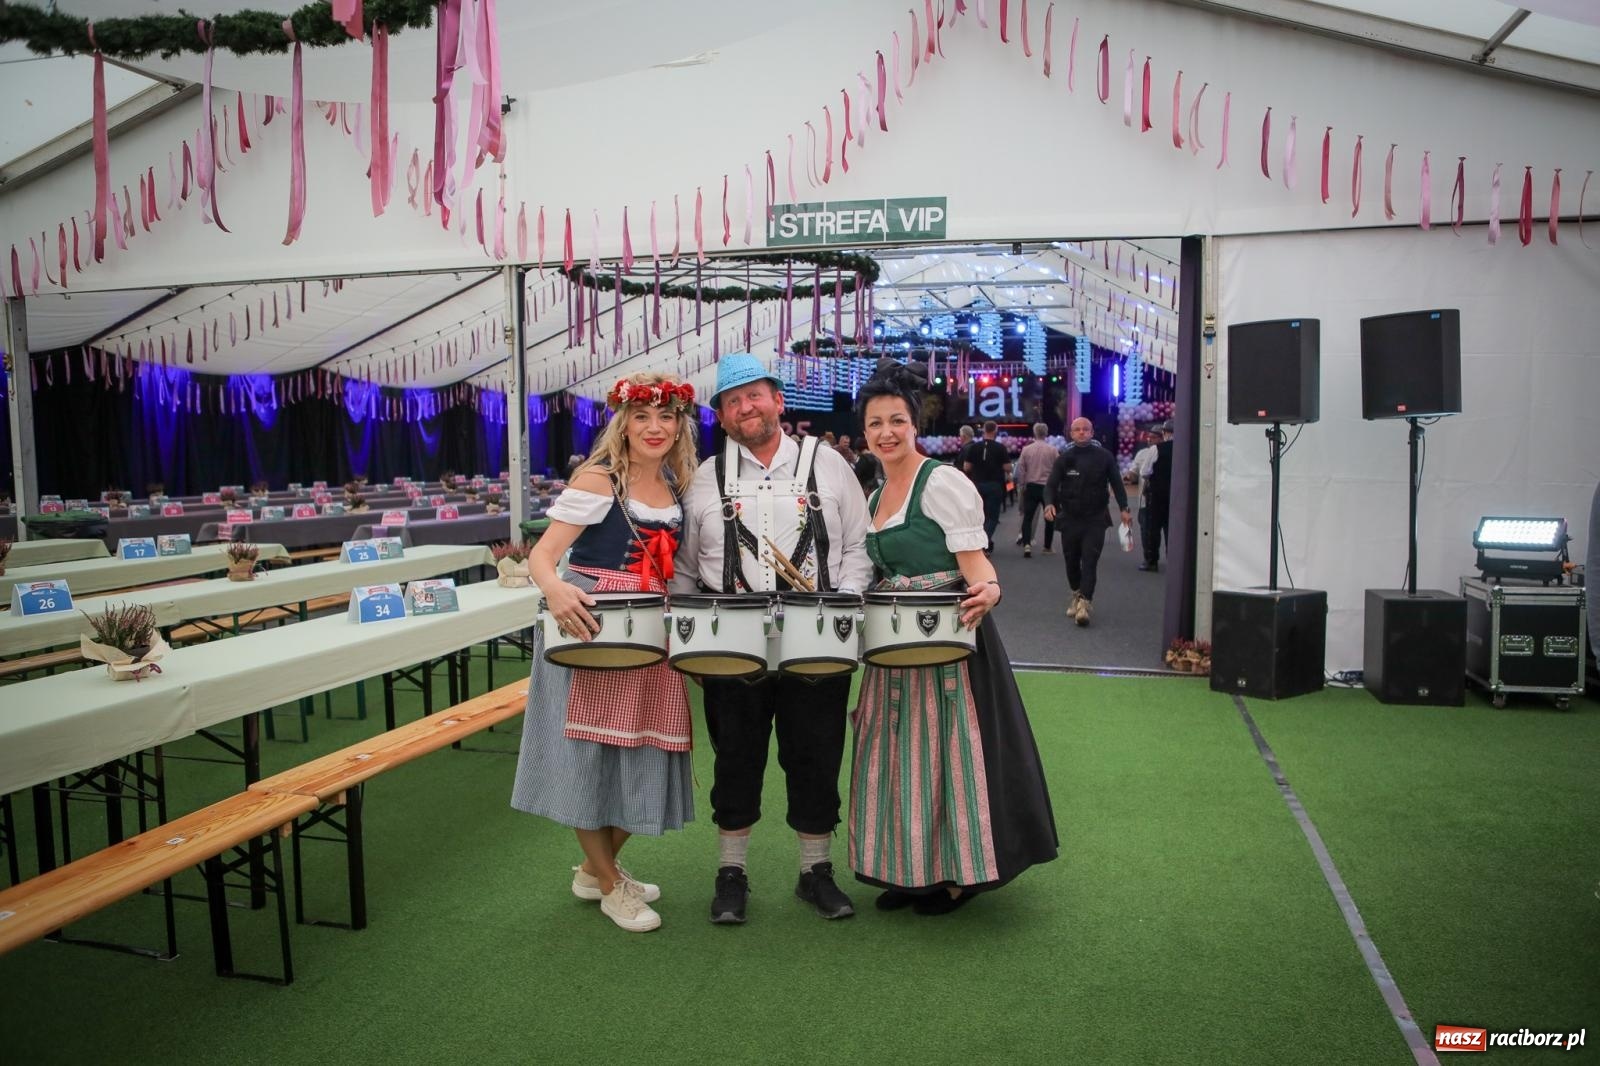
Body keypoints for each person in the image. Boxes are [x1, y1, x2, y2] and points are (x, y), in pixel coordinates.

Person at [848, 359, 1058, 915]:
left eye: (897, 420)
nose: (887, 433)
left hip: (949, 640)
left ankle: (957, 877)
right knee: (898, 755)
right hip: (893, 647)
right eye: (875, 423)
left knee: (949, 757)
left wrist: (991, 589)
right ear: (864, 432)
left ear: (914, 424)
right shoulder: (874, 497)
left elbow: (976, 564)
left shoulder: (941, 482)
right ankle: (908, 870)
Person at [674, 353, 873, 925]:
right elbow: (685, 569)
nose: (745, 407)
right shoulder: (705, 477)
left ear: (779, 401)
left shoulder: (828, 462)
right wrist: (689, 642)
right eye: (732, 401)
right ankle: (730, 874)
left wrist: (843, 606)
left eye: (754, 395)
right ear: (721, 416)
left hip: (817, 640)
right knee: (735, 757)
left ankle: (816, 872)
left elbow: (858, 545)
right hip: (731, 644)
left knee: (816, 754)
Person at [509, 372, 699, 934]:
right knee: (590, 754)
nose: (654, 427)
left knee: (652, 745)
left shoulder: (675, 483)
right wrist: (555, 589)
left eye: (665, 416)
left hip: (651, 627)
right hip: (593, 624)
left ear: (679, 425)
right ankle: (612, 885)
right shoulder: (598, 478)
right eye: (642, 416)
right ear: (624, 423)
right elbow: (542, 555)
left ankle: (596, 870)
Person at [1044, 417, 1131, 627]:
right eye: (1077, 429)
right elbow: (1051, 484)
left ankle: (1084, 603)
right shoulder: (1065, 458)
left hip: (1095, 518)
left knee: (1090, 560)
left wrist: (1124, 508)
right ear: (1071, 433)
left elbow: (1117, 483)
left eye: (1085, 429)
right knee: (1071, 561)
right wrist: (1049, 504)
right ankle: (1076, 593)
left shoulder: (1104, 456)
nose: (1082, 432)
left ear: (1092, 432)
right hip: (1070, 518)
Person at [960, 420, 1012, 553]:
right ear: (995, 431)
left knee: (979, 517)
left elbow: (966, 467)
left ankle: (982, 542)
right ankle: (984, 542)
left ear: (983, 430)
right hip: (995, 485)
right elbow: (1007, 467)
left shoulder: (974, 447)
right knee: (992, 517)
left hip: (977, 485)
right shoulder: (1000, 448)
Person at [1014, 422, 1060, 558]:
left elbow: (1021, 469)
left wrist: (1022, 485)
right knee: (1049, 518)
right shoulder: (1053, 450)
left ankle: (1027, 544)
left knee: (1028, 517)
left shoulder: (1026, 450)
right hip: (1048, 488)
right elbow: (1058, 469)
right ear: (1046, 433)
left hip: (1031, 486)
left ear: (1034, 433)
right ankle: (1047, 547)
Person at [1143, 421, 1176, 573]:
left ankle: (1152, 561)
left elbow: (1145, 472)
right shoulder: (1185, 448)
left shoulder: (1156, 449)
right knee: (1173, 528)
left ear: (1164, 433)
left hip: (1157, 494)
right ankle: (1174, 561)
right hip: (1177, 495)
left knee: (1153, 528)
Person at [1130, 428, 1161, 571]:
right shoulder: (1142, 453)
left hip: (1162, 498)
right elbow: (1134, 473)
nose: (1149, 440)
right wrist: (1129, 475)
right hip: (1145, 499)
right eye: (1149, 437)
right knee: (1146, 531)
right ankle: (1149, 559)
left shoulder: (1167, 452)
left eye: (1154, 437)